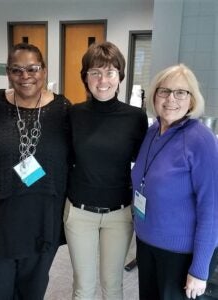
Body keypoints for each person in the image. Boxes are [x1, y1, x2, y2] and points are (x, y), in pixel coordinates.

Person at [0, 43, 71, 299]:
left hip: (42, 222)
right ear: (8, 73)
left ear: (44, 70)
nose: (25, 76)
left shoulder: (63, 110)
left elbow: (75, 160)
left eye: (32, 68)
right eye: (17, 70)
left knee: (32, 292)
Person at [64, 41, 148, 300]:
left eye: (110, 72)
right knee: (83, 287)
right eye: (95, 72)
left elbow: (145, 165)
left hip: (119, 215)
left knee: (113, 286)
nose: (103, 80)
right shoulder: (72, 114)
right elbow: (61, 159)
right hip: (79, 213)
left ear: (120, 76)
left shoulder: (135, 117)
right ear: (85, 77)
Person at [131, 64, 218, 300]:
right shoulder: (153, 131)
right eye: (164, 91)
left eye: (181, 92)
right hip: (147, 245)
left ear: (191, 100)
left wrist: (200, 269)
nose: (171, 99)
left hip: (180, 255)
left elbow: (212, 209)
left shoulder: (202, 140)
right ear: (154, 95)